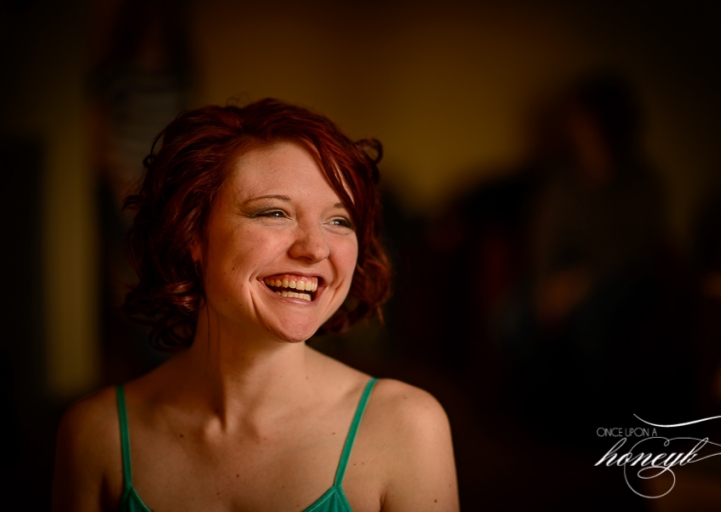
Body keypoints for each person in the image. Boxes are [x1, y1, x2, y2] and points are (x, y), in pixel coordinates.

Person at [52, 99, 459, 512]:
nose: (316, 248)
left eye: (339, 220)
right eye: (275, 213)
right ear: (191, 233)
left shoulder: (406, 426)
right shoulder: (96, 434)